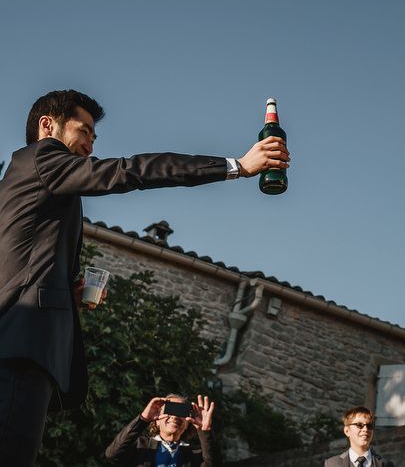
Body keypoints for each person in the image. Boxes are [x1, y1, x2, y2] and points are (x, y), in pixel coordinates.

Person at [0, 89, 289, 466]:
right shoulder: (42, 158)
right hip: (21, 349)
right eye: (84, 131)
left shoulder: (23, 183)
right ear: (47, 125)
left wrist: (63, 289)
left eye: (94, 137)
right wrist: (236, 165)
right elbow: (130, 170)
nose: (90, 144)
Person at [105, 394, 216, 467]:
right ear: (157, 421)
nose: (175, 416)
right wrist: (143, 419)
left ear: (187, 423)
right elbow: (112, 454)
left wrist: (204, 430)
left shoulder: (194, 454)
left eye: (181, 412)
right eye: (170, 409)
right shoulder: (139, 446)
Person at [324, 406, 392, 467]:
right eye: (359, 425)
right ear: (347, 431)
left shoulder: (385, 464)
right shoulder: (332, 464)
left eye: (369, 425)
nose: (365, 429)